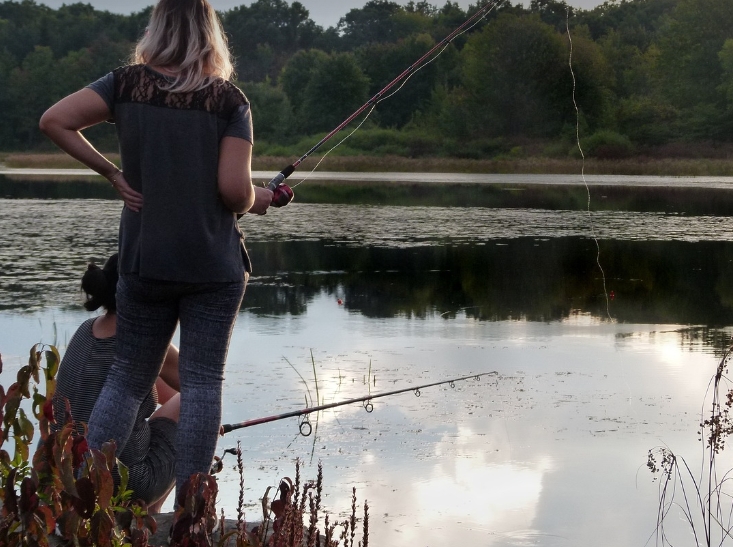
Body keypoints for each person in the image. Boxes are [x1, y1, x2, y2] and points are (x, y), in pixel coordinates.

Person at [39, 0, 272, 500]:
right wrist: (260, 198)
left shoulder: (125, 84)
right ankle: (191, 512)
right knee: (204, 384)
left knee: (126, 381)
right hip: (213, 266)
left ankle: (86, 494)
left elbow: (54, 120)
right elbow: (235, 193)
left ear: (157, 27)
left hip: (146, 261)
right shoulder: (229, 101)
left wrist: (112, 173)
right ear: (210, 33)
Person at [52, 254, 180, 514]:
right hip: (125, 482)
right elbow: (201, 387)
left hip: (70, 474)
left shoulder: (85, 330)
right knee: (196, 404)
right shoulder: (146, 340)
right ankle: (151, 513)